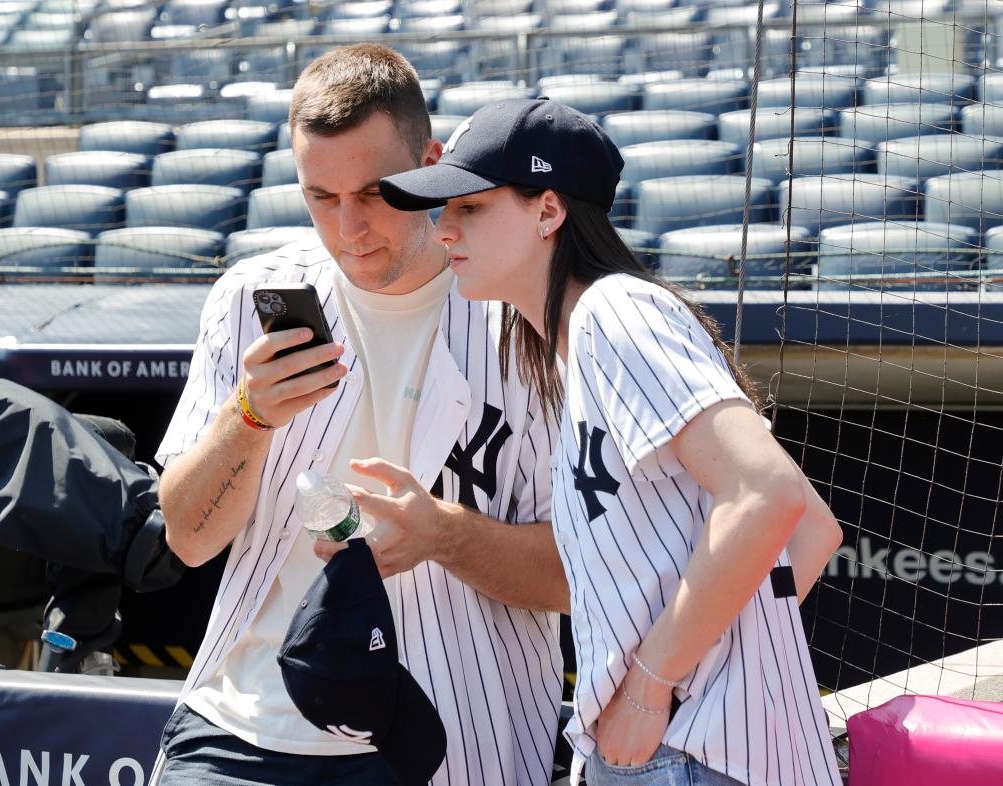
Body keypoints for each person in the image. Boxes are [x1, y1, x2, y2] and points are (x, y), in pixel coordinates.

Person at [379, 97, 844, 786]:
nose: (442, 229)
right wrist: (715, 675)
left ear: (548, 210)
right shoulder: (576, 343)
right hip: (686, 751)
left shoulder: (613, 312)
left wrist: (658, 687)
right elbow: (814, 532)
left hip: (684, 756)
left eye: (470, 207)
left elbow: (769, 496)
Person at [151, 48, 568, 786]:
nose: (350, 228)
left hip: (443, 734)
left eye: (376, 192)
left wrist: (444, 535)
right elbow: (186, 540)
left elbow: (580, 574)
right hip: (237, 726)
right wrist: (246, 420)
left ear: (432, 163)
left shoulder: (524, 318)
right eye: (321, 197)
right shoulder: (253, 295)